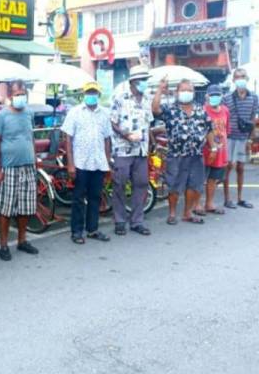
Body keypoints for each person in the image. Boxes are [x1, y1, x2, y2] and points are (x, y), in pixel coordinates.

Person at [152, 78, 215, 225]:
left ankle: (188, 212)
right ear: (177, 92)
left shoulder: (200, 110)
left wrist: (213, 147)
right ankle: (172, 213)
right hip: (176, 155)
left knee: (194, 185)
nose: (186, 93)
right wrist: (160, 89)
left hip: (196, 155)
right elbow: (155, 110)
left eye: (190, 90)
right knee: (174, 185)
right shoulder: (170, 109)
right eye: (183, 90)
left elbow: (209, 129)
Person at [0, 80, 39, 260]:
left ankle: (22, 240)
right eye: (17, 94)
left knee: (26, 206)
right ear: (10, 96)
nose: (21, 97)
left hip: (28, 166)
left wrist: (35, 161)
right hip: (8, 167)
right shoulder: (1, 116)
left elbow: (30, 137)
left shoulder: (29, 113)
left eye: (23, 93)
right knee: (6, 208)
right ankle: (3, 245)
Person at [61, 81, 112, 244]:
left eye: (94, 93)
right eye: (89, 93)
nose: (91, 96)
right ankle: (76, 231)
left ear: (98, 95)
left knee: (95, 197)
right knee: (78, 198)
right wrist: (70, 163)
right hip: (80, 162)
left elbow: (107, 139)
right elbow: (67, 139)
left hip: (98, 161)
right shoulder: (75, 113)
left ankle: (92, 229)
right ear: (84, 95)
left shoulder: (104, 113)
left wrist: (108, 161)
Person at [110, 65, 154, 236]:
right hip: (123, 149)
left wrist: (152, 141)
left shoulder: (146, 100)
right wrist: (126, 134)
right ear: (134, 82)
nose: (145, 83)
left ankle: (137, 220)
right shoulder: (120, 99)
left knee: (141, 184)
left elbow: (148, 123)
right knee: (120, 184)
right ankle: (120, 220)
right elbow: (113, 122)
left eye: (146, 80)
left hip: (141, 150)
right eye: (143, 80)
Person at [222, 67, 258, 209]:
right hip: (230, 137)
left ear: (247, 79)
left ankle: (240, 198)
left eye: (243, 76)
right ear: (233, 80)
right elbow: (223, 119)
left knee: (241, 168)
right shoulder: (226, 98)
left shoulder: (254, 97)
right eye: (237, 77)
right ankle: (227, 199)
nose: (240, 79)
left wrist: (251, 138)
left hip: (243, 138)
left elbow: (253, 119)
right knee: (228, 167)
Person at [196, 85, 230, 215]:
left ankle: (209, 203)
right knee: (200, 178)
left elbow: (227, 129)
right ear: (207, 96)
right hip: (205, 150)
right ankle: (197, 204)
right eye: (212, 95)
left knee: (213, 178)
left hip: (221, 150)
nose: (214, 98)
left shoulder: (225, 111)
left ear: (221, 97)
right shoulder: (202, 110)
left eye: (217, 95)